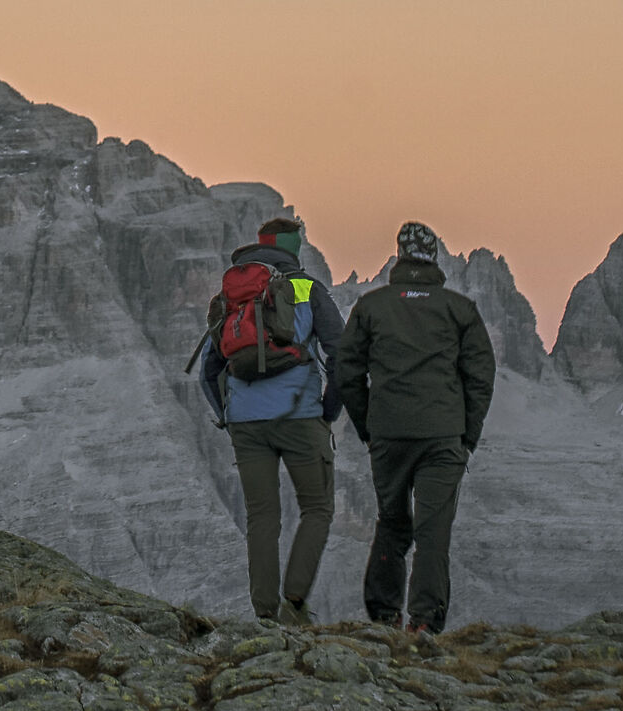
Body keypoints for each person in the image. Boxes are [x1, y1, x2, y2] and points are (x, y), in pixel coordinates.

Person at [335, 220, 496, 635]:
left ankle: (385, 615)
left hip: (388, 434)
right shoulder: (460, 310)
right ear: (435, 256)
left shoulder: (371, 306)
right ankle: (424, 623)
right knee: (433, 531)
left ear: (399, 255)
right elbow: (480, 376)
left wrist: (367, 422)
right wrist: (467, 435)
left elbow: (346, 368)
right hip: (443, 436)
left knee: (392, 522)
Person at [200, 214, 346, 625]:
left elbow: (208, 372)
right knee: (316, 508)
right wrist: (327, 412)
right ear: (294, 248)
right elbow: (344, 357)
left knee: (261, 517)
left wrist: (229, 419)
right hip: (300, 417)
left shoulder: (234, 296)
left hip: (247, 425)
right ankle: (294, 605)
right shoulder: (307, 289)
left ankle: (264, 614)